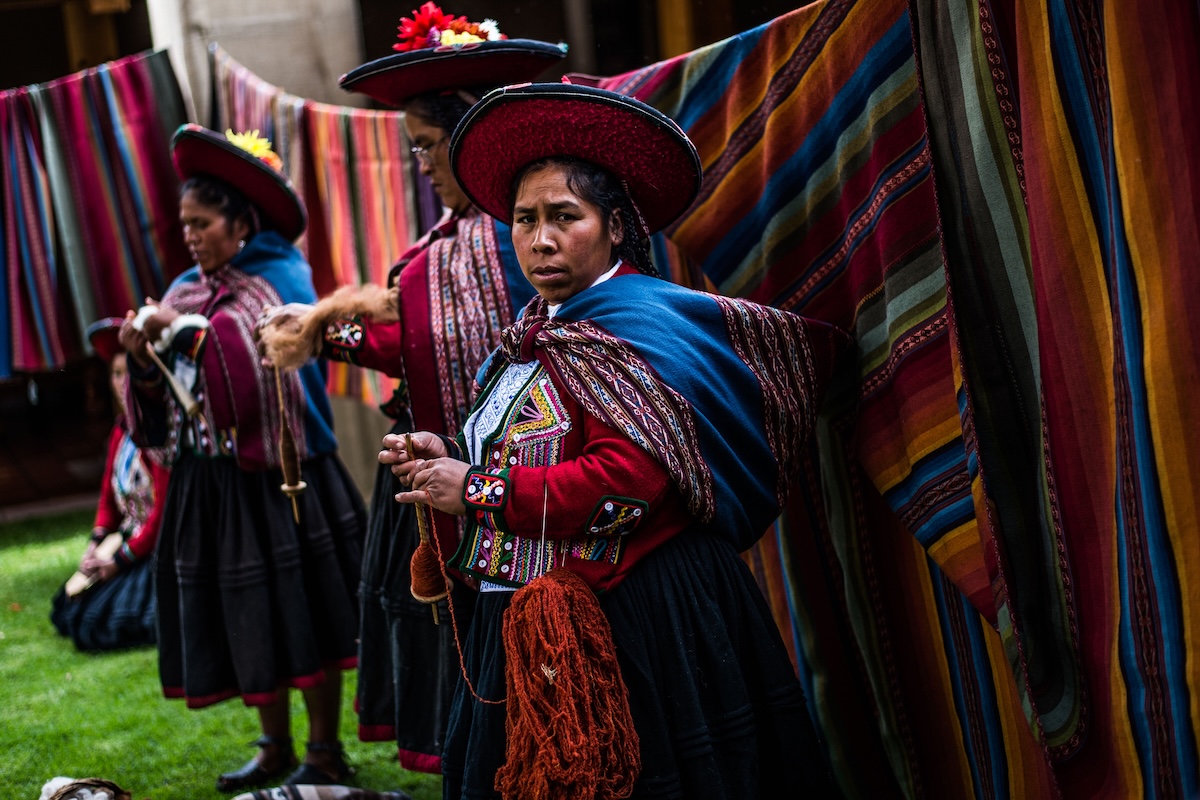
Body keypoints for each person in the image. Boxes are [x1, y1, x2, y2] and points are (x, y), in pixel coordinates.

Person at [382, 83, 847, 798]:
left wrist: (474, 490)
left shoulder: (637, 334)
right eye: (524, 219)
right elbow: (545, 442)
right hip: (535, 617)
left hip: (645, 620)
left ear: (616, 226)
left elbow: (627, 485)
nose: (540, 239)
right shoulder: (530, 338)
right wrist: (446, 453)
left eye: (564, 217)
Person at [256, 4, 565, 776]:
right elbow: (415, 344)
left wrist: (327, 331)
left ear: (469, 140)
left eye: (427, 147)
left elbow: (429, 346)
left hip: (521, 493)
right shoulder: (450, 242)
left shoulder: (509, 234)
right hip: (457, 480)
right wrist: (326, 327)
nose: (419, 166)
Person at [119, 125, 365, 791]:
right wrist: (142, 358)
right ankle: (275, 744)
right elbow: (162, 403)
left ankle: (324, 750)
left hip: (284, 474)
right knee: (252, 615)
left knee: (303, 612)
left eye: (203, 223)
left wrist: (191, 340)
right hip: (213, 481)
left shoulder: (280, 281)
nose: (192, 237)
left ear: (240, 223)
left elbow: (258, 378)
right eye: (185, 224)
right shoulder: (184, 289)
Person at [50, 318, 169, 652]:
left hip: (157, 546)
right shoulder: (121, 431)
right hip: (130, 540)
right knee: (69, 608)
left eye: (129, 371)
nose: (122, 382)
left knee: (104, 622)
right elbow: (108, 498)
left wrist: (120, 559)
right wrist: (97, 541)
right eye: (116, 373)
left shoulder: (159, 433)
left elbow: (162, 512)